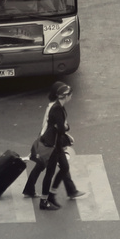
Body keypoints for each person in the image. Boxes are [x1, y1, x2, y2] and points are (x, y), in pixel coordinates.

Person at [22, 81, 83, 209]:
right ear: (65, 96)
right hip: (50, 145)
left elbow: (59, 126)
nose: (71, 97)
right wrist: (63, 127)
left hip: (55, 143)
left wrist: (62, 128)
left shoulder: (58, 107)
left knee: (63, 168)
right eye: (70, 94)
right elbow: (58, 127)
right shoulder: (55, 108)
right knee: (48, 172)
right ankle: (45, 200)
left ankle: (50, 194)